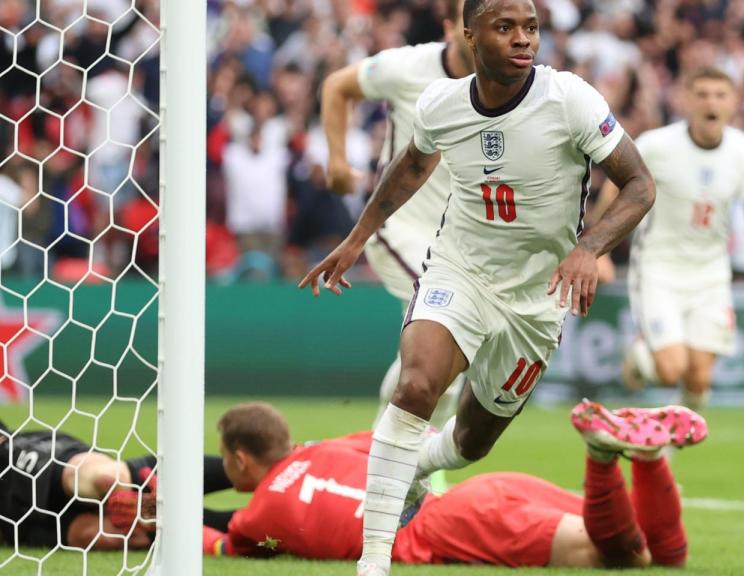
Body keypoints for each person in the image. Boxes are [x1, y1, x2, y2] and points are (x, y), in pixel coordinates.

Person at [299, 0, 655, 574]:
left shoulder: (570, 99)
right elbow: (411, 165)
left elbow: (639, 184)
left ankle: (417, 464)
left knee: (471, 442)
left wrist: (589, 248)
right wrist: (357, 236)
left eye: (531, 28)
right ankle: (373, 560)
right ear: (470, 34)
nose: (523, 40)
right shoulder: (440, 102)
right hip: (460, 269)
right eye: (506, 27)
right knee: (416, 385)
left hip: (538, 298)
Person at [203, 401, 707, 570]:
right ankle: (648, 459)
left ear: (241, 460)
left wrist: (155, 519)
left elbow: (222, 542)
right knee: (664, 555)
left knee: (621, 555)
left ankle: (601, 455)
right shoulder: (327, 449)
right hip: (480, 494)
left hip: (451, 527)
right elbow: (412, 437)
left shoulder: (258, 517)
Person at [320, 0, 475, 431]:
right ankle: (400, 454)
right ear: (449, 27)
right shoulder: (407, 68)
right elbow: (337, 85)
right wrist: (336, 161)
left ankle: (391, 449)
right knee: (448, 331)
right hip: (400, 227)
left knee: (449, 357)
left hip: (461, 243)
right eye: (467, 23)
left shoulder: (507, 88)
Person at [593, 67, 744, 410]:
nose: (711, 102)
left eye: (720, 95)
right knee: (672, 369)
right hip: (659, 268)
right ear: (687, 100)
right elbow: (617, 183)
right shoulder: (657, 145)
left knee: (699, 380)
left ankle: (662, 453)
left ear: (733, 102)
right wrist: (599, 249)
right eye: (702, 94)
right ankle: (638, 357)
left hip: (711, 272)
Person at [0, 419, 155, 550]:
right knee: (101, 537)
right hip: (13, 517)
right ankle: (155, 524)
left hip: (16, 456)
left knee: (103, 479)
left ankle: (163, 493)